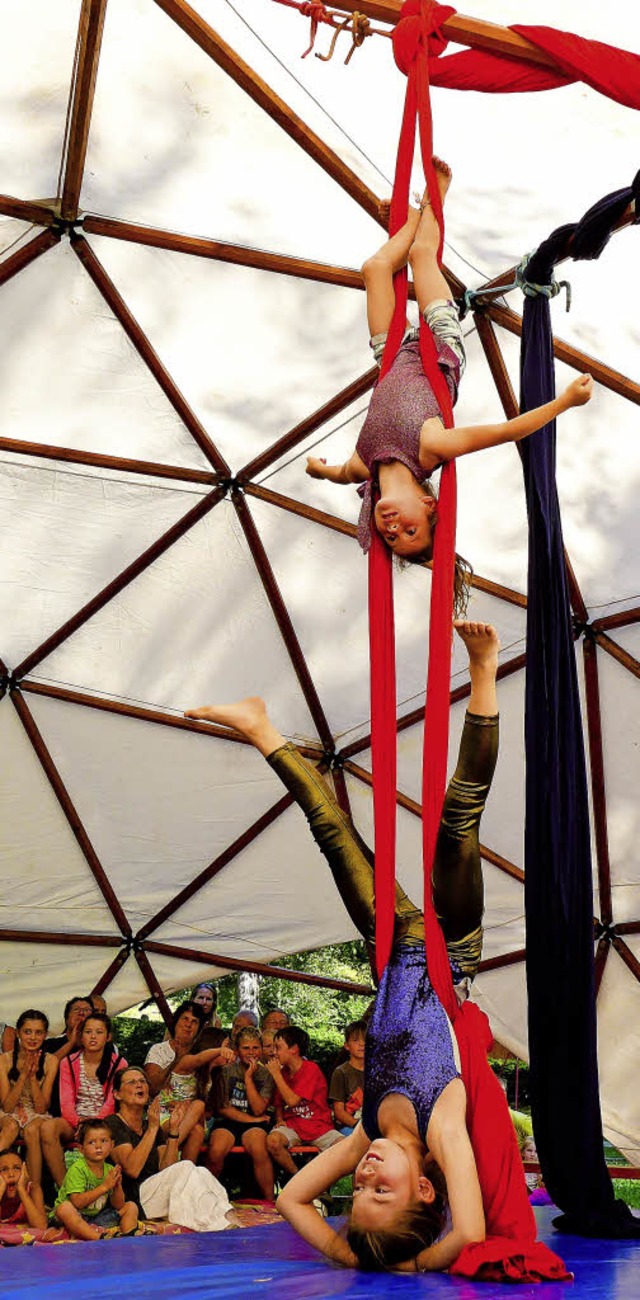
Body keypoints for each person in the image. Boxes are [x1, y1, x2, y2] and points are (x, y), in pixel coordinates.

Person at [185, 621, 499, 1272]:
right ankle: (486, 671)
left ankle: (261, 728)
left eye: (356, 1190)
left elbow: (295, 1199)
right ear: (424, 1186)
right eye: (379, 1190)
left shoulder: (367, 1135)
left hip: (392, 943)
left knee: (331, 831)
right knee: (457, 824)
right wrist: (416, 1264)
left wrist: (349, 1254)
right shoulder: (443, 1125)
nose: (364, 1177)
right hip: (450, 945)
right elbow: (468, 1228)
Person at [305, 161, 593, 597]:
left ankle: (412, 221)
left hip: (390, 358)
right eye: (411, 530)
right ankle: (434, 197)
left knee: (375, 270)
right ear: (428, 503)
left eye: (391, 539)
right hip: (438, 350)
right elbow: (508, 430)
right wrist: (565, 402)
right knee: (423, 256)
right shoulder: (430, 448)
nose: (394, 530)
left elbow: (341, 474)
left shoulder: (366, 465)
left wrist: (319, 469)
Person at [109, 1068, 232, 1232]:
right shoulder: (113, 1123)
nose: (139, 1085)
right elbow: (132, 1169)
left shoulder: (150, 1124)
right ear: (117, 1094)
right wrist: (152, 1129)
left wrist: (173, 1130)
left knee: (200, 1171)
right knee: (187, 1166)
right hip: (135, 1200)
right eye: (132, 1082)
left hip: (158, 1194)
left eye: (142, 1081)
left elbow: (167, 1169)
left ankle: (228, 1220)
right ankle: (224, 1224)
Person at [41, 1012, 127, 1186]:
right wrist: (79, 1122)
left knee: (105, 1131)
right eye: (88, 1032)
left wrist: (93, 1123)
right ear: (81, 1036)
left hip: (105, 1120)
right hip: (75, 1121)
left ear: (108, 1036)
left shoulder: (119, 1063)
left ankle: (107, 1185)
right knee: (48, 1127)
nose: (93, 1036)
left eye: (99, 1032)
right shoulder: (68, 1062)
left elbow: (112, 1101)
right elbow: (66, 1101)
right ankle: (66, 1188)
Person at [144, 1001, 234, 1161]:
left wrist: (187, 1110)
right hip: (164, 1114)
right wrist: (219, 1051)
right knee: (198, 1107)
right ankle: (169, 1153)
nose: (188, 1025)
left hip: (186, 1119)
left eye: (194, 1022)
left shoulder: (212, 1073)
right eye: (184, 1019)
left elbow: (208, 1110)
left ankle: (183, 1174)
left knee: (198, 1129)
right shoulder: (182, 1058)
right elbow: (152, 1087)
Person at [264, 1027, 344, 1177]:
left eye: (278, 1047)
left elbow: (292, 1100)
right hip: (293, 1126)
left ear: (294, 1049)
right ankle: (299, 1178)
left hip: (318, 1126)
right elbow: (279, 1103)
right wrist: (280, 1119)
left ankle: (320, 1184)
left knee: (344, 1146)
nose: (274, 1052)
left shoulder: (311, 1069)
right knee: (273, 1141)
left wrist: (276, 1074)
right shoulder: (283, 1073)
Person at [208, 1027, 275, 1201]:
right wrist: (251, 1118)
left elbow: (259, 1108)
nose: (251, 1052)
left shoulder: (266, 1074)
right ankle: (208, 1198)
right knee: (216, 1149)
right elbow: (222, 1107)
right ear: (237, 1051)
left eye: (255, 1048)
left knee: (259, 1148)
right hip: (228, 1121)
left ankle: (270, 1202)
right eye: (246, 1048)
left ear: (261, 1049)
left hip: (255, 1123)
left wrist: (248, 1078)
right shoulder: (226, 1071)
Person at [50, 1118, 138, 1240]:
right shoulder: (78, 1169)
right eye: (91, 1142)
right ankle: (98, 1237)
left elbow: (118, 1205)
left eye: (103, 1141)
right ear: (81, 1149)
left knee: (131, 1206)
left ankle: (130, 1235)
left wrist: (117, 1185)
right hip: (73, 1217)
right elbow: (77, 1203)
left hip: (96, 1218)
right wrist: (105, 1187)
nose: (98, 1146)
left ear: (112, 1145)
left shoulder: (109, 1169)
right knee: (64, 1208)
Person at [0, 1009, 58, 1186]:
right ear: (18, 1033)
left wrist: (32, 1078)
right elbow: (7, 1106)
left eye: (38, 1032)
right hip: (9, 1111)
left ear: (45, 1035)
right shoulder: (4, 1060)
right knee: (10, 1126)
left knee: (32, 1130)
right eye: (27, 1032)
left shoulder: (51, 1061)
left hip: (35, 1113)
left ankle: (33, 1189)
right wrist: (23, 1075)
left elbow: (41, 1108)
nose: (33, 1037)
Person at [44, 996, 95, 1117]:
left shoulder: (100, 1047)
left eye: (87, 1010)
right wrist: (71, 1043)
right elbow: (45, 1067)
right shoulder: (50, 1044)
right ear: (67, 1019)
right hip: (55, 1111)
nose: (82, 1013)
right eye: (76, 1009)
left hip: (90, 1111)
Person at [330, 1021, 366, 1136]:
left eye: (365, 1040)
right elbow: (339, 1112)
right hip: (349, 1126)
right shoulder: (341, 1072)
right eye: (355, 1040)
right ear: (347, 1045)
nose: (362, 1044)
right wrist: (358, 1126)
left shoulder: (377, 1071)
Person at [0, 1149, 47, 1229]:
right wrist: (1, 1190)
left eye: (16, 1168)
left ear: (24, 1171)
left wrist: (21, 1190)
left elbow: (41, 1226)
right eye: (4, 1169)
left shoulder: (33, 1189)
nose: (11, 1174)